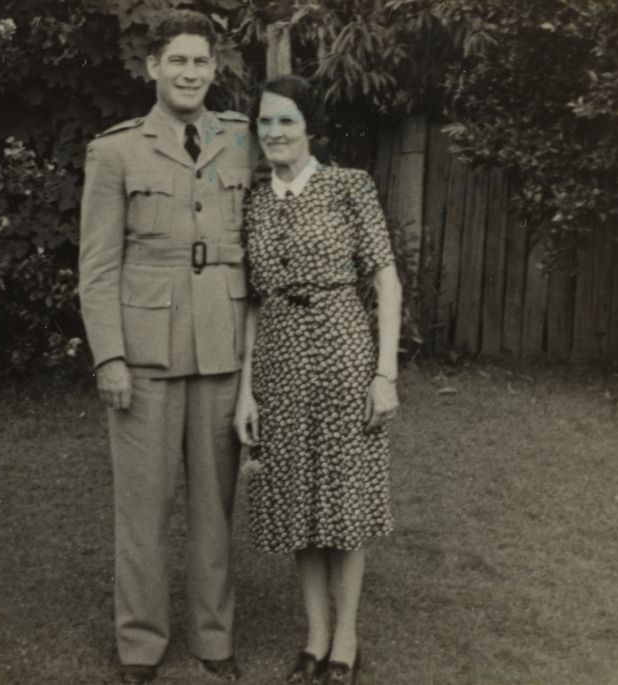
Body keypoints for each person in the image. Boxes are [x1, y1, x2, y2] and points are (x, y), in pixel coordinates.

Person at [78, 9, 257, 684]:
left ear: (215, 71)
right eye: (176, 61)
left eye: (200, 62)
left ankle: (215, 638)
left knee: (215, 510)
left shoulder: (242, 140)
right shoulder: (116, 150)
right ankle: (141, 644)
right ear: (152, 68)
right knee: (143, 510)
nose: (189, 73)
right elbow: (96, 266)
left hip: (221, 349)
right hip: (145, 353)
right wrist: (109, 356)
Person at [233, 75, 402, 685]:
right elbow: (252, 302)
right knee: (296, 498)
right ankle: (315, 637)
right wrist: (247, 388)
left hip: (342, 351)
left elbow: (385, 282)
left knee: (344, 500)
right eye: (266, 122)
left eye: (287, 121)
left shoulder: (348, 187)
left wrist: (385, 373)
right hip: (278, 356)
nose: (275, 133)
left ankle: (347, 642)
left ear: (311, 129)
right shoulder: (254, 200)